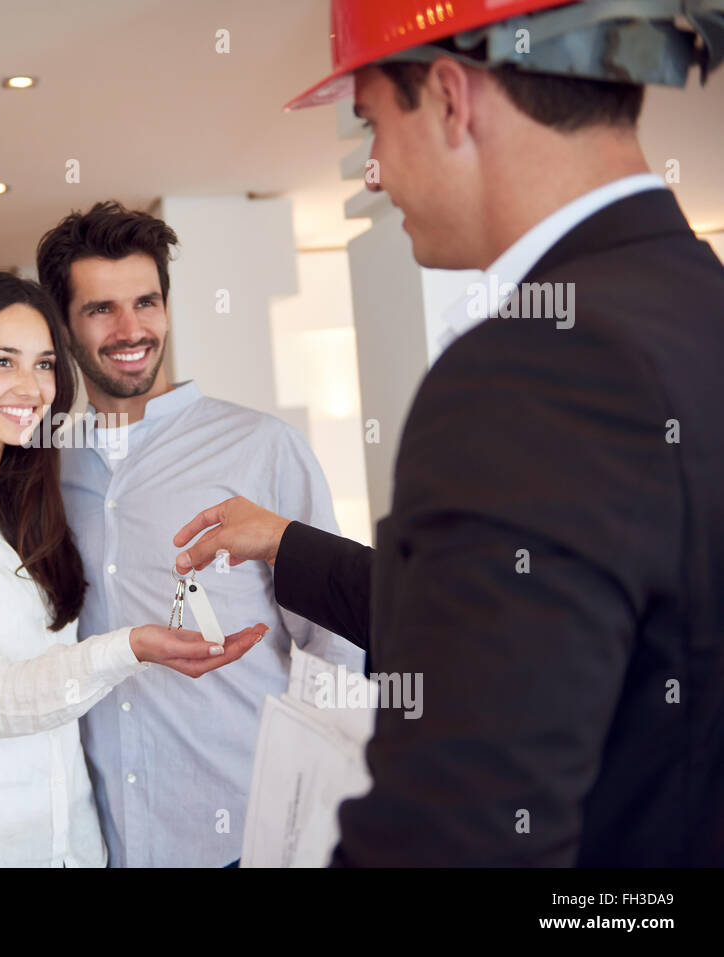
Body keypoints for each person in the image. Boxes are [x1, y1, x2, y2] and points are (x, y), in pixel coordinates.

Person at [172, 0, 724, 865]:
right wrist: (286, 543)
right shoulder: (694, 305)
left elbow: (456, 833)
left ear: (451, 96)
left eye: (372, 126)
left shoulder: (533, 366)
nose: (374, 176)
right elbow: (543, 626)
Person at [0, 203, 362, 867]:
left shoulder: (261, 449)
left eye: (146, 302)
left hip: (244, 835)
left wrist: (340, 803)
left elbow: (339, 653)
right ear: (62, 324)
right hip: (104, 843)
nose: (132, 329)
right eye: (101, 309)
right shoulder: (33, 473)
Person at [0, 271, 266, 867]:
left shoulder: (33, 498)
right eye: (2, 362)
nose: (32, 387)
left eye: (43, 364)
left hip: (67, 851)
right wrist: (133, 647)